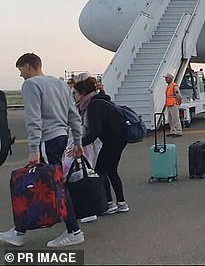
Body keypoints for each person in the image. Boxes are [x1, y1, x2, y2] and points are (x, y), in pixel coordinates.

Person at [0, 53, 85, 247]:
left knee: (54, 186)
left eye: (21, 70)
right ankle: (20, 230)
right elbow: (74, 115)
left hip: (46, 140)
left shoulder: (31, 85)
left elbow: (33, 119)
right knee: (50, 183)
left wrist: (34, 149)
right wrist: (78, 141)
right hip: (61, 137)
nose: (21, 75)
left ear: (29, 66)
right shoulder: (60, 84)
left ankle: (74, 230)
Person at [72, 73, 130, 216]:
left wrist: (79, 143)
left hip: (113, 141)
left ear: (83, 93)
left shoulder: (93, 106)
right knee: (111, 171)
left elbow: (95, 131)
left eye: (75, 93)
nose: (74, 96)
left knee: (100, 172)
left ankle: (110, 203)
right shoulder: (99, 100)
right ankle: (121, 203)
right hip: (118, 139)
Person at [164, 73, 182, 137]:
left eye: (166, 78)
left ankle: (178, 131)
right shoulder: (168, 86)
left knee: (175, 118)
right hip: (169, 104)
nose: (165, 79)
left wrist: (179, 102)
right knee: (170, 119)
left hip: (173, 104)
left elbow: (178, 95)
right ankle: (173, 131)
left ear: (170, 79)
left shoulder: (174, 86)